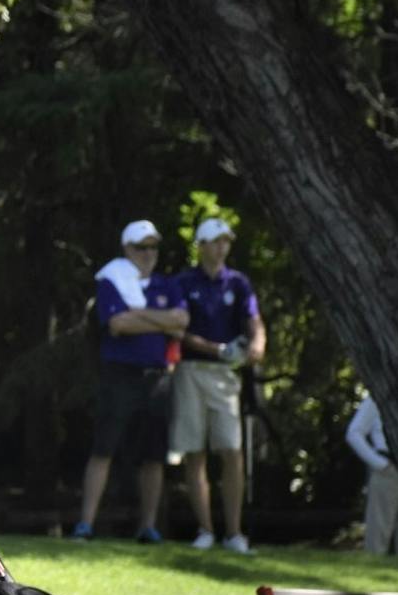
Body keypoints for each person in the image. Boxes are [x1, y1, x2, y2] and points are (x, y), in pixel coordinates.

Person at [71, 220, 187, 542]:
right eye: (141, 247)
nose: (148, 253)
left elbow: (181, 323)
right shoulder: (112, 279)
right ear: (127, 249)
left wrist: (139, 314)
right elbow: (118, 324)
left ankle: (148, 526)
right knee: (104, 448)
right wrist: (161, 321)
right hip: (119, 375)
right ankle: (86, 524)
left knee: (153, 455)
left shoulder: (167, 284)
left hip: (157, 378)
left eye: (153, 247)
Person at [171, 217, 264, 554]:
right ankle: (206, 530)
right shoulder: (183, 282)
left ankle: (234, 533)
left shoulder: (237, 282)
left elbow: (254, 320)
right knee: (195, 452)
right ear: (201, 246)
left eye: (226, 241)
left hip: (226, 377)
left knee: (232, 450)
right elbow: (177, 330)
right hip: (191, 371)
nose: (222, 247)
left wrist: (258, 344)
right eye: (215, 241)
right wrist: (216, 349)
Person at [345, 391, 398, 556]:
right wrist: (380, 464)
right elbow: (354, 432)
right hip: (388, 469)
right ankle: (373, 565)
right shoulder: (378, 396)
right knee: (379, 532)